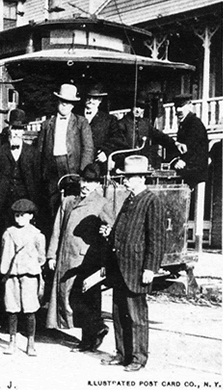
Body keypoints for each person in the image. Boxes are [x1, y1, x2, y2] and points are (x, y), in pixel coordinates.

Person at [100, 155, 165, 372]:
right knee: (119, 313)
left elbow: (156, 238)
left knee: (137, 316)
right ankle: (122, 353)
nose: (125, 180)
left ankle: (138, 358)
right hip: (120, 266)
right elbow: (123, 230)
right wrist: (111, 233)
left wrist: (150, 268)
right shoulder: (129, 199)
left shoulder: (151, 201)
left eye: (128, 177)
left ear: (140, 178)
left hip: (137, 268)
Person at [45, 164, 110, 352]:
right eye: (83, 180)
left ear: (97, 184)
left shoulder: (102, 203)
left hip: (87, 261)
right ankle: (92, 333)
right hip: (66, 259)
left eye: (90, 182)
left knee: (87, 301)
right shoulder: (68, 201)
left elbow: (110, 228)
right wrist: (51, 255)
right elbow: (57, 230)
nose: (85, 185)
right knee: (72, 300)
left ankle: (91, 337)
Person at [37, 83, 94, 216]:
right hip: (52, 168)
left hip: (73, 168)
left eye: (68, 103)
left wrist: (83, 171)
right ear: (57, 102)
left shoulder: (81, 122)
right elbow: (40, 150)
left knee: (73, 202)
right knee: (53, 203)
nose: (64, 105)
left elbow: (88, 148)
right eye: (62, 101)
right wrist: (42, 172)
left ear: (73, 105)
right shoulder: (47, 124)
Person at [0, 199, 45, 356]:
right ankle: (12, 342)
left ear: (31, 216)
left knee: (30, 309)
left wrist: (30, 264)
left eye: (23, 215)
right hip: (11, 274)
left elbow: (41, 257)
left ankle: (30, 343)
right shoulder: (8, 233)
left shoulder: (37, 235)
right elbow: (4, 252)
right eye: (17, 215)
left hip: (29, 276)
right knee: (12, 308)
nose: (19, 218)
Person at [112, 99, 177, 170]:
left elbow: (159, 136)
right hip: (127, 163)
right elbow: (118, 144)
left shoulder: (145, 123)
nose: (138, 110)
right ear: (131, 108)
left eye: (141, 108)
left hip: (143, 162)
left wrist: (175, 143)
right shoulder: (121, 124)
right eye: (136, 107)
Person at [169, 94, 209, 188]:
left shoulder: (195, 124)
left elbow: (193, 148)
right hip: (188, 172)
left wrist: (183, 161)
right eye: (177, 107)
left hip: (196, 174)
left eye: (181, 106)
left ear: (189, 106)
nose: (178, 110)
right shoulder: (184, 124)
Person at [82, 84, 121, 174]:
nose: (91, 101)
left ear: (100, 100)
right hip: (77, 162)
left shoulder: (109, 119)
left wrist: (106, 152)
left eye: (95, 98)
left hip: (98, 163)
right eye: (89, 98)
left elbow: (117, 139)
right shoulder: (75, 116)